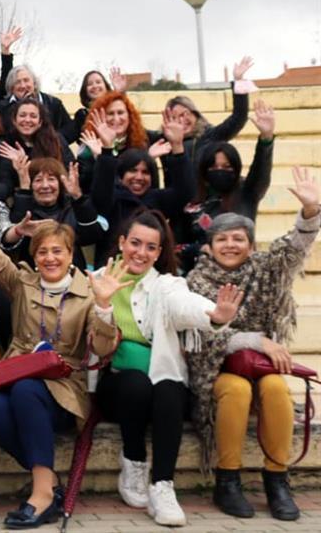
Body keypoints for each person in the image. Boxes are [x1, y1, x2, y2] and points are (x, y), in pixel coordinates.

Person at [0, 206, 119, 530]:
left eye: (58, 251)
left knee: (27, 390)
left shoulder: (89, 292)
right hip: (18, 374)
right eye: (43, 252)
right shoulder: (24, 282)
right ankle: (49, 482)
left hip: (63, 387)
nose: (50, 258)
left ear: (70, 254)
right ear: (35, 257)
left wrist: (105, 306)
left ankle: (41, 496)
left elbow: (104, 348)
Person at [186, 166, 320, 522]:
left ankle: (277, 479)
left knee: (276, 388)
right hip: (214, 369)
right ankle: (227, 480)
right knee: (237, 391)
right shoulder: (196, 280)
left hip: (259, 367)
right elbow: (205, 336)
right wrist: (258, 341)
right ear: (210, 246)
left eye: (238, 239)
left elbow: (294, 248)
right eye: (222, 239)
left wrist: (310, 211)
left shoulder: (264, 268)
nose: (230, 245)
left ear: (250, 244)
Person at [92, 210, 242, 527]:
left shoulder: (167, 285)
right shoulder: (97, 279)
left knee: (171, 387)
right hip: (116, 386)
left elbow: (184, 304)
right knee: (135, 384)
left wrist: (214, 314)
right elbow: (95, 344)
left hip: (159, 390)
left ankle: (163, 486)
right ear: (122, 242)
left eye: (150, 247)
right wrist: (103, 304)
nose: (141, 253)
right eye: (135, 243)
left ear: (159, 252)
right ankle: (134, 462)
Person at [86, 114, 194, 267]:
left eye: (145, 172)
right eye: (133, 171)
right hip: (113, 270)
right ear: (121, 176)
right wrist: (107, 149)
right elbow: (101, 190)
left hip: (152, 270)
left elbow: (185, 193)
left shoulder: (158, 199)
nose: (139, 177)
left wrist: (177, 147)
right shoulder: (112, 199)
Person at [180, 100, 275, 265]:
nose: (219, 171)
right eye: (213, 167)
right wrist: (200, 249)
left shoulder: (247, 193)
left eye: (226, 167)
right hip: (202, 273)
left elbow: (261, 171)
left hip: (244, 272)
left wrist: (266, 139)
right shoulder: (192, 199)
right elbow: (177, 246)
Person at [8, 158, 104, 270]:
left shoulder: (73, 207)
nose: (45, 185)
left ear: (60, 183)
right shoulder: (23, 208)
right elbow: (14, 239)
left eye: (51, 179)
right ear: (30, 185)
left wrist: (78, 197)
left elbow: (92, 236)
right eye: (38, 180)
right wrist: (24, 190)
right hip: (34, 275)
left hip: (72, 273)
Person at [0, 28, 72, 138]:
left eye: (26, 80)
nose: (23, 85)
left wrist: (52, 141)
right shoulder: (3, 107)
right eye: (17, 82)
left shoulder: (53, 103)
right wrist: (5, 52)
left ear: (34, 83)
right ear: (11, 87)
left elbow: (69, 129)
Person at [0, 98, 75, 201]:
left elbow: (69, 171)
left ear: (40, 122)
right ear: (14, 120)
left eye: (33, 116)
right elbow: (5, 183)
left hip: (54, 197)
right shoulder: (6, 144)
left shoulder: (56, 141)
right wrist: (18, 169)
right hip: (21, 198)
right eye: (22, 115)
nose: (27, 120)